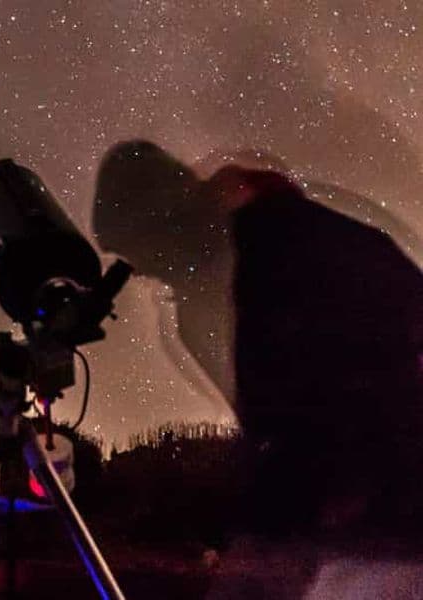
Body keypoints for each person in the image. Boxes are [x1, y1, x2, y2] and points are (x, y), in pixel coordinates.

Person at [92, 139, 423, 536]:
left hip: (384, 503)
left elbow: (306, 418)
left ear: (164, 222)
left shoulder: (277, 248)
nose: (141, 270)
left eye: (140, 250)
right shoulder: (215, 289)